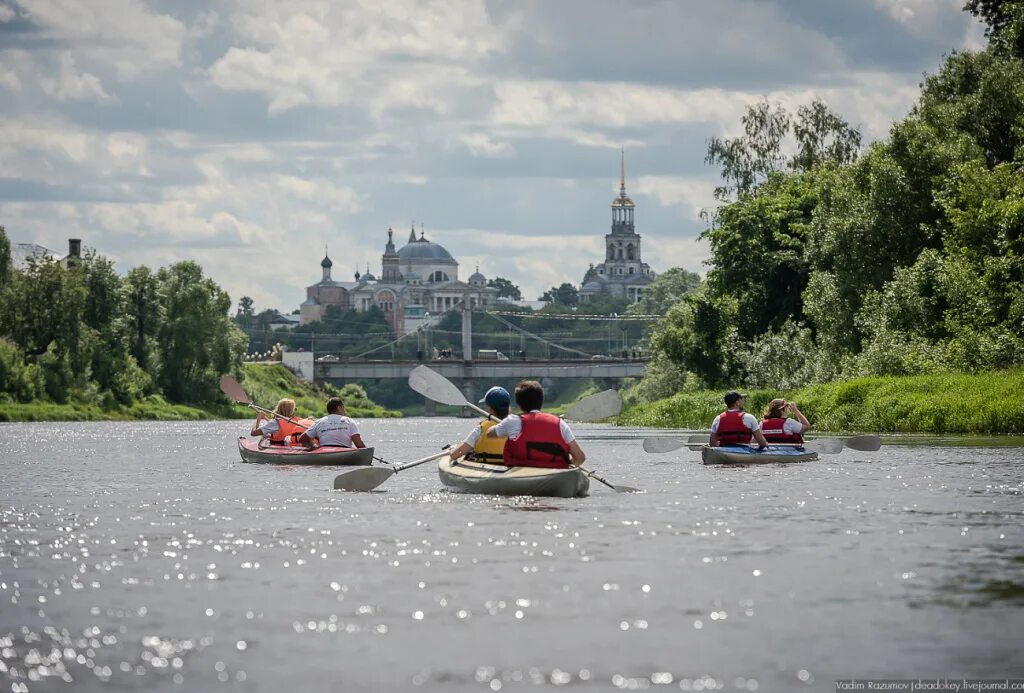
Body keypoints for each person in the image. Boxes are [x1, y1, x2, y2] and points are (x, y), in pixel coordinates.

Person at [486, 380, 586, 468]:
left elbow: (489, 434)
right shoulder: (560, 423)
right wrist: (569, 465)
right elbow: (580, 458)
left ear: (518, 404)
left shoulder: (512, 421)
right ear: (541, 401)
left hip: (522, 473)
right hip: (556, 472)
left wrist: (503, 424)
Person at [447, 386, 512, 463]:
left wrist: (452, 450)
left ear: (489, 408)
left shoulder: (481, 428)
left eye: (485, 404)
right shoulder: (518, 426)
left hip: (485, 465)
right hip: (511, 468)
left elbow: (455, 454)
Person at [299, 396, 366, 450]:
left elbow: (302, 439)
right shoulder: (350, 421)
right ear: (339, 408)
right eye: (343, 407)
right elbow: (359, 444)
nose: (344, 410)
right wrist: (366, 452)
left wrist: (313, 446)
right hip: (344, 452)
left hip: (324, 453)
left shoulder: (319, 422)